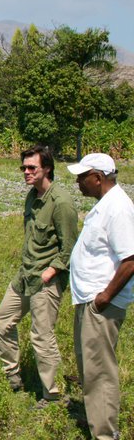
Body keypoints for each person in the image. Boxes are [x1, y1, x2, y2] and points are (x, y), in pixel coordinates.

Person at [0, 145, 78, 406]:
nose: (27, 172)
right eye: (24, 168)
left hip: (46, 279)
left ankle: (51, 395)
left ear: (48, 169)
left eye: (32, 168)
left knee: (42, 336)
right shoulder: (32, 197)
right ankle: (13, 375)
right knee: (3, 321)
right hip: (25, 274)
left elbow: (69, 248)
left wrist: (50, 272)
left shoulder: (61, 203)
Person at [67, 153, 134, 440]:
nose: (78, 182)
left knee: (100, 372)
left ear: (98, 177)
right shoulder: (104, 205)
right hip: (89, 301)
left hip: (101, 305)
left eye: (82, 177)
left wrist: (104, 297)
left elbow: (130, 259)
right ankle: (98, 424)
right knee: (89, 367)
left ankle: (106, 435)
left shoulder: (118, 208)